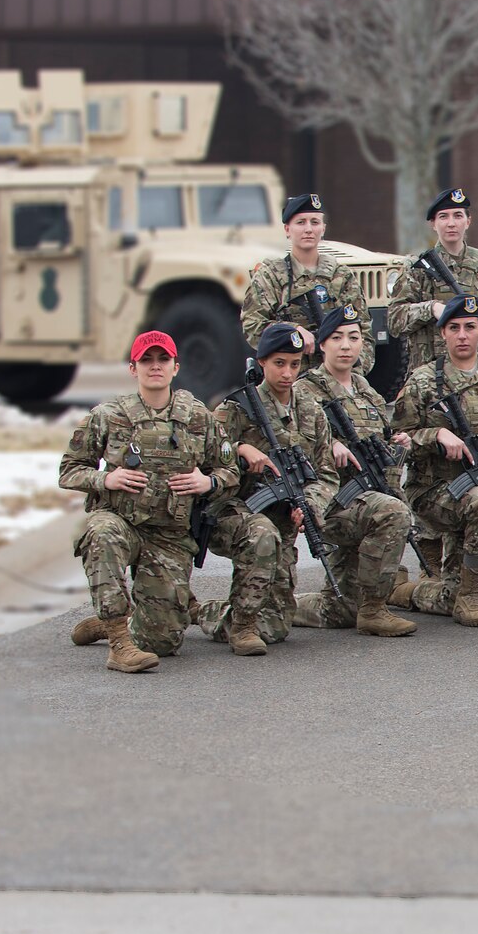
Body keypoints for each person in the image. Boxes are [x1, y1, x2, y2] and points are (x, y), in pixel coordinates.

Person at [62, 331, 235, 672]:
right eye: (147, 360)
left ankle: (121, 620)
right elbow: (69, 470)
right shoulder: (108, 415)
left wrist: (208, 481)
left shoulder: (199, 418)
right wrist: (104, 478)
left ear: (175, 367)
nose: (155, 366)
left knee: (164, 642)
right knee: (100, 533)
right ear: (133, 368)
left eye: (163, 360)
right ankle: (118, 642)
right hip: (120, 521)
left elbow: (229, 471)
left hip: (169, 534)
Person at [390, 296, 478, 627]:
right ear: (442, 333)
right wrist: (434, 436)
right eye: (454, 328)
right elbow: (398, 438)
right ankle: (470, 601)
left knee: (448, 593)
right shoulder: (424, 380)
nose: (462, 335)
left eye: (470, 327)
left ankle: (402, 591)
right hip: (434, 491)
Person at [193, 323, 336, 653]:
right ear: (261, 364)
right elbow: (203, 454)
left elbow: (326, 474)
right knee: (261, 534)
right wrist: (240, 448)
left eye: (295, 364)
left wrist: (310, 504)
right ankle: (239, 626)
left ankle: (199, 611)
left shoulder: (311, 411)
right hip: (231, 511)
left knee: (275, 626)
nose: (288, 373)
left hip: (280, 520)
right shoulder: (237, 408)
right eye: (279, 364)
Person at [289, 307, 418, 637]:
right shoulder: (305, 391)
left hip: (365, 497)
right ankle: (375, 610)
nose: (345, 346)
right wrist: (326, 445)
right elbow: (290, 443)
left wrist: (397, 441)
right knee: (393, 513)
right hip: (331, 502)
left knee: (342, 610)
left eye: (354, 338)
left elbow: (379, 439)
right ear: (322, 344)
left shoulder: (366, 391)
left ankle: (284, 604)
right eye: (336, 338)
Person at [386, 187, 478, 373]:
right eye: (443, 217)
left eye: (458, 216)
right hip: (430, 374)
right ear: (433, 224)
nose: (451, 223)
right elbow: (395, 321)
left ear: (468, 221)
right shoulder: (417, 268)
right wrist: (431, 308)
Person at [239, 193, 370, 374]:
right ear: (287, 229)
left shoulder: (341, 276)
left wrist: (353, 372)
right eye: (301, 222)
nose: (308, 229)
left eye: (314, 222)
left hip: (336, 378)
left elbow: (364, 331)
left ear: (323, 229)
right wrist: (293, 331)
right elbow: (253, 326)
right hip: (290, 379)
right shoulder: (270, 276)